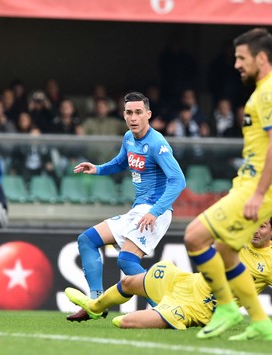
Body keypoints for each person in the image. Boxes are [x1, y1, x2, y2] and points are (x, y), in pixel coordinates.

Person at [183, 28, 272, 341]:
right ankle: (260, 320)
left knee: (194, 237)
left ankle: (226, 306)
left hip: (259, 187)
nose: (236, 64)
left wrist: (258, 194)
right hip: (251, 184)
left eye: (241, 58)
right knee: (225, 249)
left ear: (261, 58)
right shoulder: (267, 89)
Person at [66, 92, 186, 321]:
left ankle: (168, 310)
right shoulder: (128, 138)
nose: (134, 117)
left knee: (126, 260)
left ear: (148, 114)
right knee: (87, 240)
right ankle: (97, 302)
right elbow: (122, 162)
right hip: (138, 209)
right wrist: (98, 168)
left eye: (139, 112)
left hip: (156, 211)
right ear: (123, 115)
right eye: (129, 112)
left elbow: (178, 181)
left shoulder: (157, 143)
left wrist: (155, 211)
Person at [65, 215, 272, 332]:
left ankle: (167, 314)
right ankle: (94, 308)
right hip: (186, 281)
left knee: (126, 322)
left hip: (199, 308)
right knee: (127, 282)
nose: (256, 230)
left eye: (263, 226)